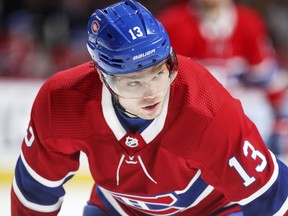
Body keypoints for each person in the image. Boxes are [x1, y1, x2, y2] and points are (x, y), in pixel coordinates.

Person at [11, 0, 288, 215]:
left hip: (215, 208)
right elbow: (35, 191)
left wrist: (280, 120)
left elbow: (271, 197)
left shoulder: (208, 112)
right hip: (119, 208)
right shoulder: (62, 101)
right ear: (101, 75)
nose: (153, 92)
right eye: (133, 82)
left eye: (159, 72)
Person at [156, 0, 288, 152]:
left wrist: (281, 118)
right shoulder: (171, 24)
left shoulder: (249, 22)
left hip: (242, 110)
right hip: (193, 112)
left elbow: (266, 78)